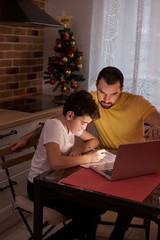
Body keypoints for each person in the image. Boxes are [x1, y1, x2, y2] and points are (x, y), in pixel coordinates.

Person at [10, 66, 160, 240]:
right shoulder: (85, 105)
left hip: (129, 160)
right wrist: (28, 137)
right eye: (102, 92)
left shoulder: (136, 103)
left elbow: (81, 132)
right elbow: (59, 123)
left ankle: (118, 233)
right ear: (96, 86)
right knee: (92, 212)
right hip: (51, 182)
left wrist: (157, 128)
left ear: (122, 89)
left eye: (114, 94)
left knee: (119, 198)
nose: (106, 99)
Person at [18, 90, 107, 240]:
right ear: (70, 115)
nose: (84, 128)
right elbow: (56, 162)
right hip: (40, 187)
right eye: (83, 123)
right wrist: (88, 158)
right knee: (89, 218)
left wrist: (81, 149)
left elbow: (94, 142)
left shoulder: (71, 126)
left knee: (98, 207)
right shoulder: (53, 126)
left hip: (57, 184)